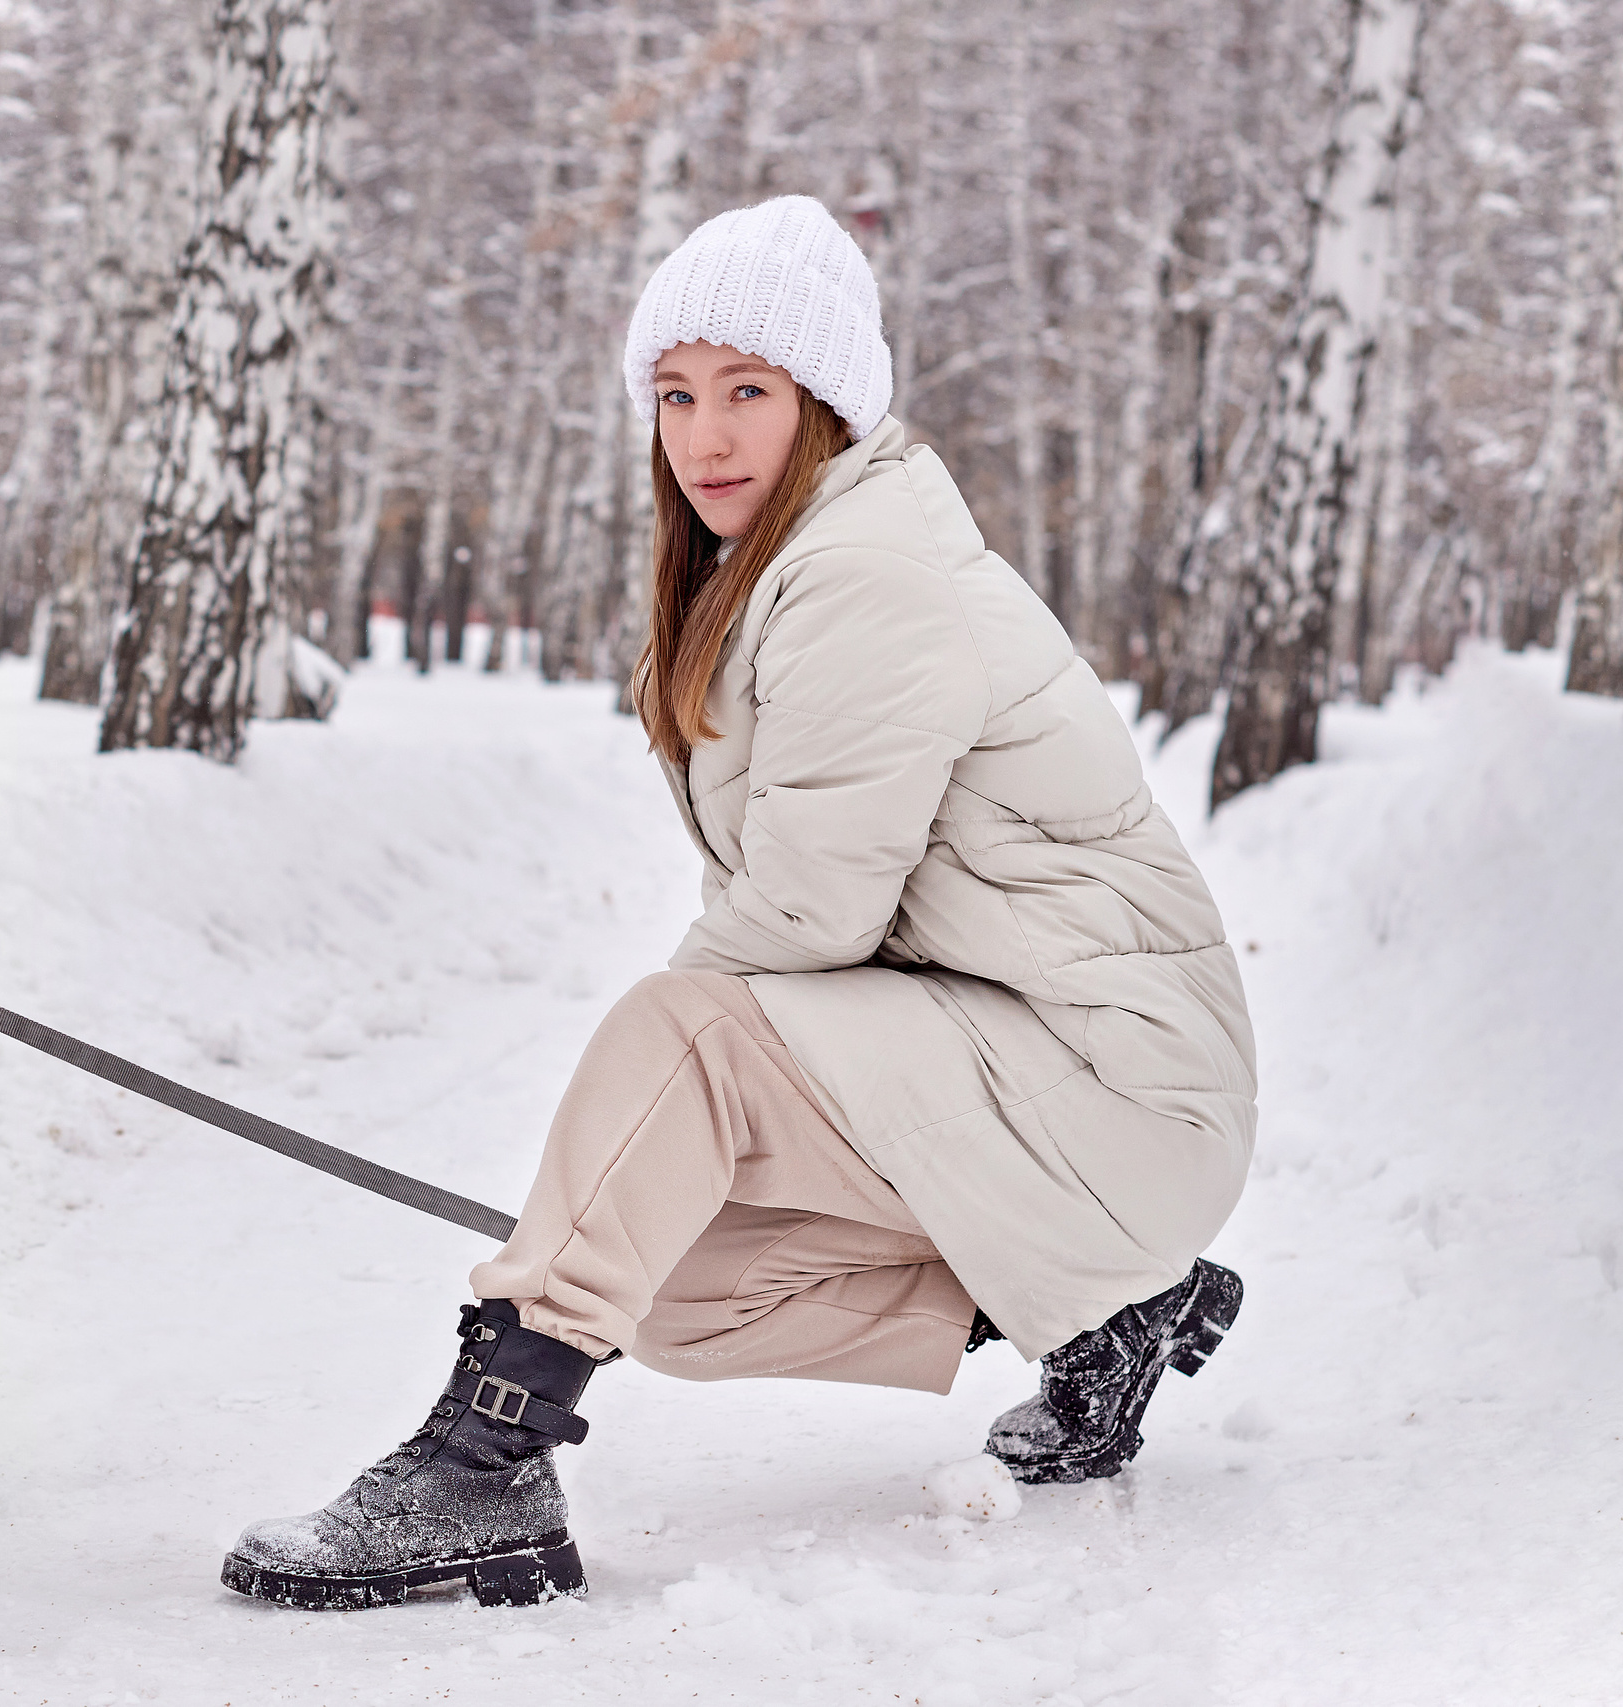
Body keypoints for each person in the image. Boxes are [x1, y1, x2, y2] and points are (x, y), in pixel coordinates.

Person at [218, 196, 1257, 1613]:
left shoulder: (866, 574)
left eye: (748, 392)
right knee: (673, 1293)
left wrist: (652, 1104)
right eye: (676, 394)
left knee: (681, 1043)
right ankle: (1110, 1313)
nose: (704, 436)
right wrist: (627, 1175)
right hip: (1013, 1066)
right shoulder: (769, 570)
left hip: (1118, 1084)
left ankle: (486, 1457)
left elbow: (806, 922)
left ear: (825, 402)